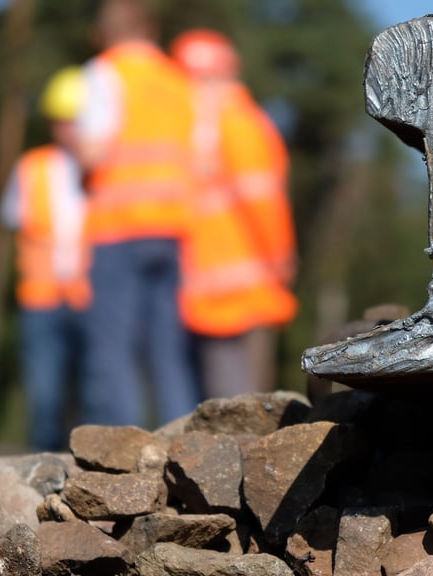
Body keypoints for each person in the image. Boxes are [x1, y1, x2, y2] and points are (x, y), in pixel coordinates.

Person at [75, 0, 201, 427]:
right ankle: (184, 447)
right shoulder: (177, 80)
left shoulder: (103, 73)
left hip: (118, 228)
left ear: (106, 32)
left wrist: (73, 154)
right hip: (171, 229)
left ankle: (118, 460)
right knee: (169, 352)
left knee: (112, 349)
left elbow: (92, 150)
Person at [170, 30, 298, 398]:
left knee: (225, 407)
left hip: (214, 291)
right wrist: (281, 257)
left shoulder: (203, 131)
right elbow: (264, 200)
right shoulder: (240, 123)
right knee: (241, 408)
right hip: (243, 285)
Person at [0, 68, 91, 451]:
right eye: (61, 121)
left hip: (91, 299)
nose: (68, 129)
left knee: (91, 399)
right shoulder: (31, 167)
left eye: (75, 121)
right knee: (44, 399)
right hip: (41, 300)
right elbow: (12, 219)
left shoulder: (104, 170)